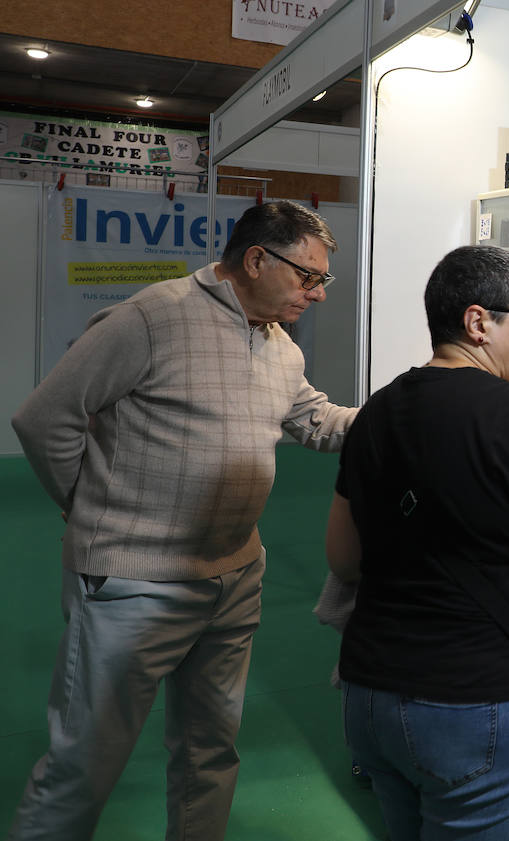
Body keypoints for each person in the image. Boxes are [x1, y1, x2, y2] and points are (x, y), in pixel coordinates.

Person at [9, 201, 357, 841]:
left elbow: (316, 421)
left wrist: (418, 410)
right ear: (256, 260)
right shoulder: (151, 318)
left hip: (233, 581)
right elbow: (45, 417)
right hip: (133, 584)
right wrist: (84, 504)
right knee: (83, 766)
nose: (319, 295)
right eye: (310, 277)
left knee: (210, 757)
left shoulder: (279, 346)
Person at [325, 245, 509, 841]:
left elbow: (344, 559)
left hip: (370, 692)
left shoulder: (376, 411)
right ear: (480, 322)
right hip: (472, 703)